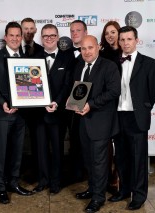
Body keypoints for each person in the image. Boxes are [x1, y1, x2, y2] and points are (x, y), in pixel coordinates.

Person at [108, 26, 155, 211]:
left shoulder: (149, 63)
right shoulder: (113, 62)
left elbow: (153, 89)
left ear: (136, 40)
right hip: (117, 115)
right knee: (121, 156)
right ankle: (124, 190)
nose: (125, 43)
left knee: (138, 158)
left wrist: (144, 108)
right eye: (122, 39)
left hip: (136, 117)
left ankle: (139, 195)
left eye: (129, 39)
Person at [0, 22, 33, 205]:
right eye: (11, 35)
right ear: (5, 37)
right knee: (2, 152)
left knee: (17, 151)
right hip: (3, 113)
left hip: (21, 115)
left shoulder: (25, 58)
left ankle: (13, 182)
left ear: (21, 37)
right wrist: (3, 103)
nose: (14, 39)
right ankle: (1, 187)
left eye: (17, 35)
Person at [71, 35, 121, 213]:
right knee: (89, 160)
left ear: (98, 47)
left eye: (90, 48)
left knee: (99, 162)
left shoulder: (109, 66)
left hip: (101, 123)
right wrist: (75, 105)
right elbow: (78, 91)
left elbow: (114, 91)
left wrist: (90, 105)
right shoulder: (79, 67)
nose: (86, 52)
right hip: (83, 122)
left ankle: (98, 197)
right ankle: (92, 189)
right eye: (83, 49)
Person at [32, 24, 71, 194]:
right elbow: (29, 85)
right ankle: (43, 180)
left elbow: (67, 84)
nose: (49, 38)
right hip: (39, 113)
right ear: (41, 38)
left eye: (52, 35)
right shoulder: (33, 57)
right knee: (40, 149)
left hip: (58, 112)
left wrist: (56, 102)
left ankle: (56, 182)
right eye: (45, 36)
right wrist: (40, 102)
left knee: (57, 149)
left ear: (58, 37)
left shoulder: (67, 58)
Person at [19, 17, 44, 183]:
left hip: (37, 107)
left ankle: (36, 173)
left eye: (31, 28)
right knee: (18, 141)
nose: (28, 31)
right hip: (17, 107)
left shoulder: (42, 50)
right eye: (25, 28)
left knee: (37, 142)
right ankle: (17, 174)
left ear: (35, 30)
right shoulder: (12, 50)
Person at [99, 21, 122, 194]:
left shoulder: (126, 52)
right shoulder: (101, 54)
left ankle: (118, 175)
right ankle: (105, 177)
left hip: (123, 102)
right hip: (106, 103)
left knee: (121, 142)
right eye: (107, 33)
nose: (110, 36)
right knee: (105, 144)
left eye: (113, 32)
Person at [65, 20, 88, 183]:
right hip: (65, 106)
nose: (74, 33)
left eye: (78, 30)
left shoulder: (92, 53)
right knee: (73, 139)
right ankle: (75, 173)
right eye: (72, 31)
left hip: (86, 105)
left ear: (85, 32)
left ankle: (88, 175)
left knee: (85, 141)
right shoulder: (64, 53)